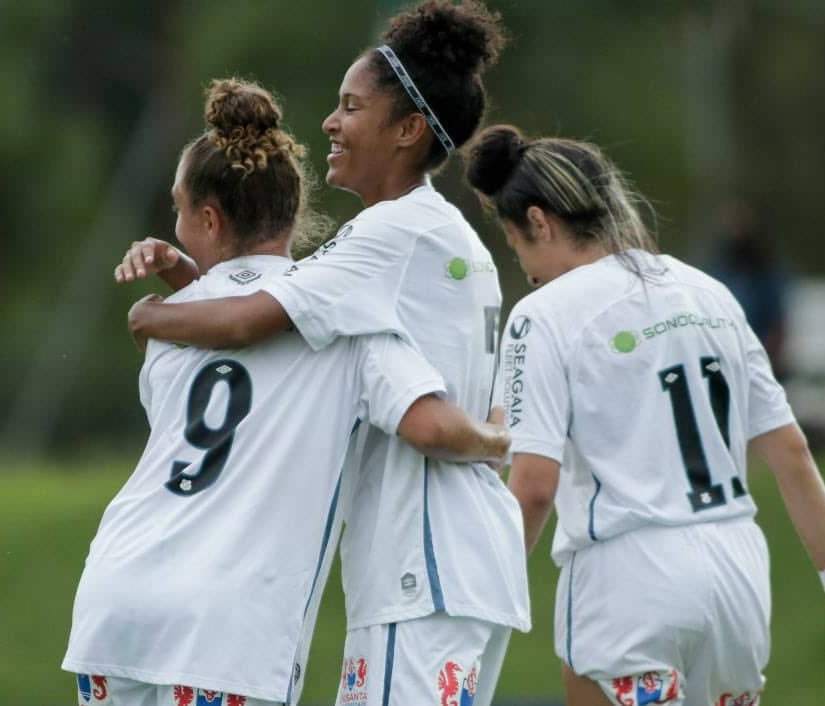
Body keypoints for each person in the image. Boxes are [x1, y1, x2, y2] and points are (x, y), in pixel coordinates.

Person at [117, 3, 530, 704]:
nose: (331, 124)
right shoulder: (431, 231)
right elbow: (279, 321)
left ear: (406, 130)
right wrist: (187, 280)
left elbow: (254, 319)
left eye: (350, 107)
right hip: (455, 566)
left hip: (420, 565)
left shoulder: (391, 236)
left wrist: (150, 316)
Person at [465, 125, 825, 706]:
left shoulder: (542, 314)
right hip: (737, 572)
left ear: (540, 223)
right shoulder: (710, 293)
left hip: (626, 579)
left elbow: (532, 489)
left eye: (516, 245)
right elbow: (791, 451)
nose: (525, 269)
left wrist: (484, 603)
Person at [707, 196, 788, 378]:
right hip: (724, 363)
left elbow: (777, 328)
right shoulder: (718, 271)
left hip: (759, 363)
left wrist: (757, 361)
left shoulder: (767, 274)